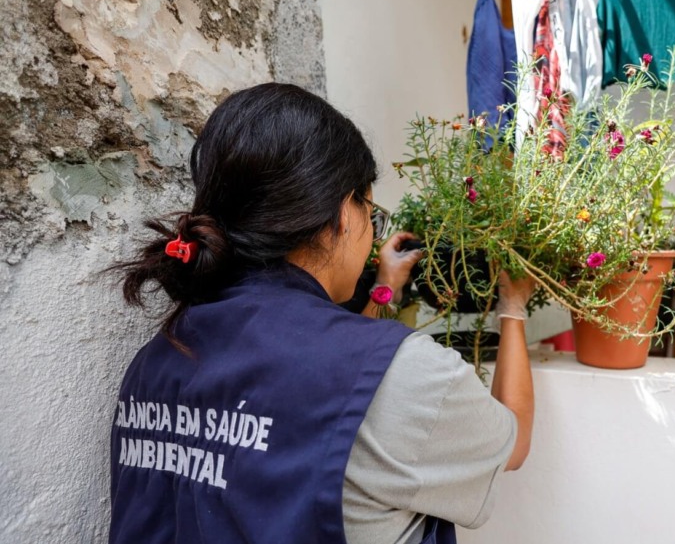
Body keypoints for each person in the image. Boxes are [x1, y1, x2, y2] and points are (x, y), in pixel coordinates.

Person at [108, 83, 535, 544]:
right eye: (372, 212)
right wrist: (513, 306)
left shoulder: (155, 361)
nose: (371, 232)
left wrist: (386, 288)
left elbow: (329, 383)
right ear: (342, 213)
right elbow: (511, 444)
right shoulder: (412, 373)